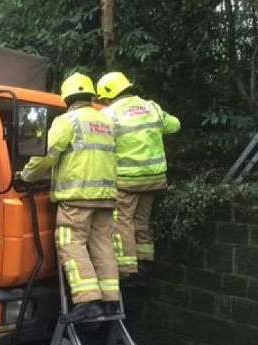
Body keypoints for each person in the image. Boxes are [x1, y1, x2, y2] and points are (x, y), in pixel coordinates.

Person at [18, 72, 119, 318]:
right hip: (106, 196)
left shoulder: (68, 121)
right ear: (90, 95)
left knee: (71, 243)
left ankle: (87, 301)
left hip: (77, 196)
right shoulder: (107, 122)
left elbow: (47, 154)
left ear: (67, 99)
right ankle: (110, 300)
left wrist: (26, 176)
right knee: (103, 245)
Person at [96, 72, 180, 279]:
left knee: (122, 222)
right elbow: (175, 125)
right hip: (154, 179)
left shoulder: (110, 114)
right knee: (142, 220)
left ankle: (127, 270)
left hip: (127, 180)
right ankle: (145, 261)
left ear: (108, 94)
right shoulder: (152, 107)